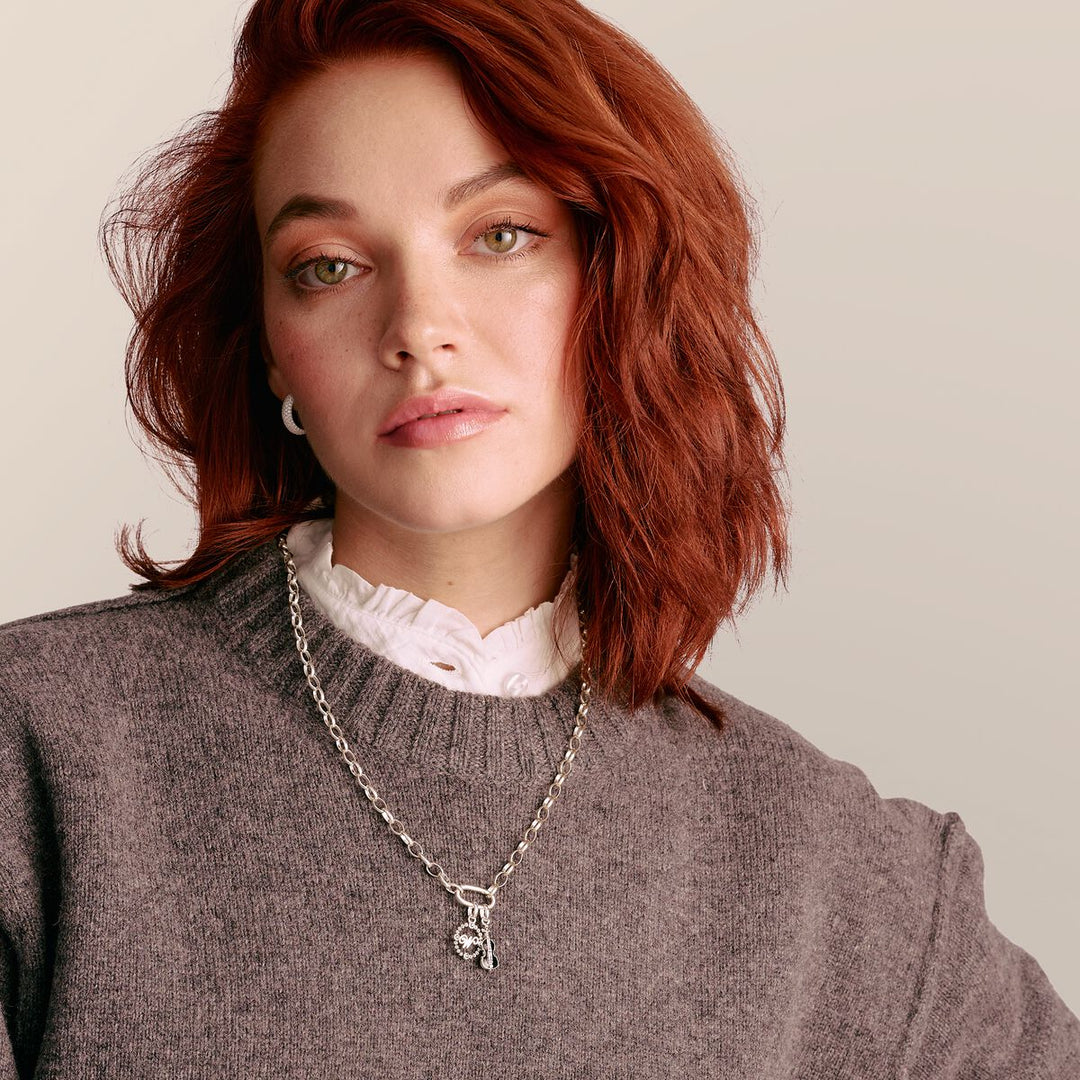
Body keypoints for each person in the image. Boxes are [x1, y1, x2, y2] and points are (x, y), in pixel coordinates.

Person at [1, 0, 1076, 1075]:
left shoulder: (846, 882)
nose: (419, 325)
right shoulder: (36, 755)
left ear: (614, 282)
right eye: (329, 264)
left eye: (500, 235)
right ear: (275, 351)